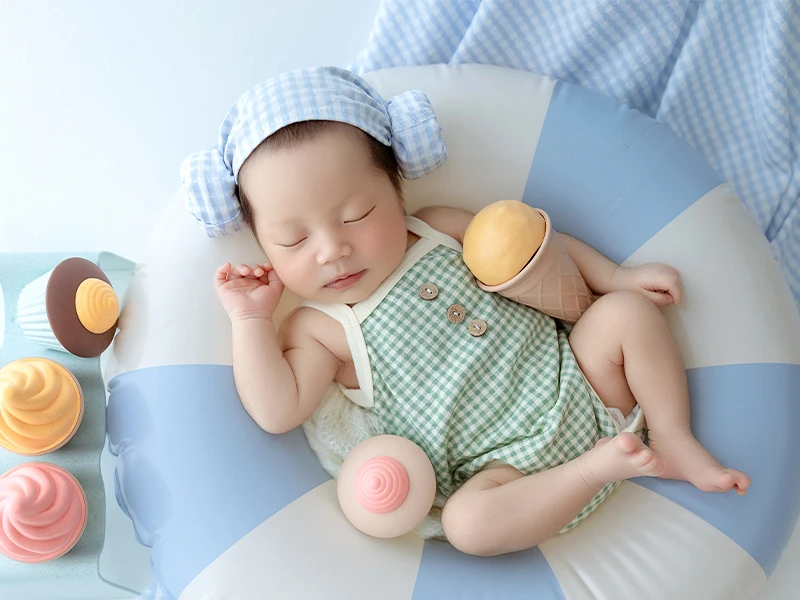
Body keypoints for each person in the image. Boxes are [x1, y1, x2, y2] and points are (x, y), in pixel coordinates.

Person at [182, 67, 750, 557]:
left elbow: (539, 251)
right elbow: (278, 410)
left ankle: (671, 437)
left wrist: (616, 278)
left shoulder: (439, 228)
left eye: (356, 214)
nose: (332, 249)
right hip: (504, 475)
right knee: (466, 526)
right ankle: (595, 468)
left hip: (583, 384)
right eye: (293, 240)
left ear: (397, 187)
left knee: (624, 314)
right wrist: (251, 321)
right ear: (263, 248)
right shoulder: (322, 331)